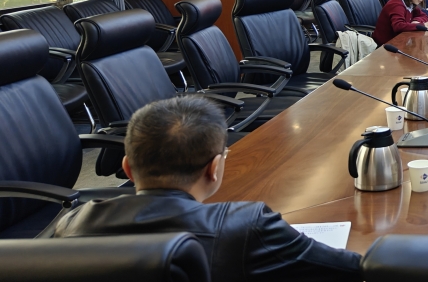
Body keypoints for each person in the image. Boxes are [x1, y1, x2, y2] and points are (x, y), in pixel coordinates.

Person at [53, 97, 361, 281]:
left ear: (128, 168)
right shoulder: (247, 225)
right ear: (214, 168)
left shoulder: (71, 226)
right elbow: (356, 268)